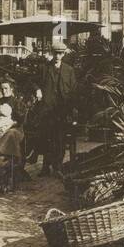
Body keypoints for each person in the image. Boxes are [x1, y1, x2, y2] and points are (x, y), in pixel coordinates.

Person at [39, 40, 78, 176]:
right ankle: (45, 166)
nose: (57, 56)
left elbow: (74, 91)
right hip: (47, 109)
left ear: (63, 54)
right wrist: (37, 90)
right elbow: (35, 83)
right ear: (52, 53)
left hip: (62, 110)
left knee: (60, 139)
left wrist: (72, 111)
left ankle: (58, 167)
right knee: (46, 138)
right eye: (56, 53)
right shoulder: (45, 68)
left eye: (60, 54)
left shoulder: (69, 70)